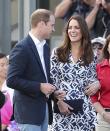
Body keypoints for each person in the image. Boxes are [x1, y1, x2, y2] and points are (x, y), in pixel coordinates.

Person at [6, 9, 56, 131]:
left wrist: (55, 92)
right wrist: (39, 87)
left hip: (43, 110)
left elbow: (44, 77)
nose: (53, 29)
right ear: (41, 24)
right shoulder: (22, 48)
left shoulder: (45, 47)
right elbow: (11, 80)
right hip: (27, 113)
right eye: (52, 25)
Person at [49, 15, 100, 131]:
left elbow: (97, 78)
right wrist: (58, 102)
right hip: (63, 111)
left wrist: (98, 84)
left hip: (85, 112)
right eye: (70, 27)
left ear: (83, 30)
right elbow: (52, 82)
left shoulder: (92, 54)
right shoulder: (57, 53)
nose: (72, 30)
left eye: (76, 27)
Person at [91, 35, 110, 131]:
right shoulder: (97, 69)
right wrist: (104, 114)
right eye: (93, 48)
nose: (96, 51)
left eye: (100, 47)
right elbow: (92, 97)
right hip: (103, 117)